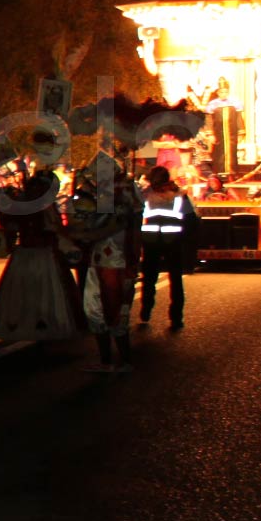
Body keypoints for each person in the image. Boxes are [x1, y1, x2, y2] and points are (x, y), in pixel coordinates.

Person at [0, 168, 81, 342]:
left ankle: (44, 326)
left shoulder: (42, 207)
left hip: (41, 254)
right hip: (32, 254)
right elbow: (12, 229)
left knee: (42, 292)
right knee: (30, 292)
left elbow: (54, 231)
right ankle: (35, 326)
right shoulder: (25, 206)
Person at [69, 153, 138, 373]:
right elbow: (85, 226)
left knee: (115, 313)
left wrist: (80, 234)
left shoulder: (123, 205)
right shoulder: (101, 201)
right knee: (94, 311)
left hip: (116, 264)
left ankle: (125, 361)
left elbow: (103, 230)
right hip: (97, 262)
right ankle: (106, 361)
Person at [138, 166, 195, 330]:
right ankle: (176, 317)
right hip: (172, 241)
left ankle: (146, 312)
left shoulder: (145, 195)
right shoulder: (179, 195)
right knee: (174, 280)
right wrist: (185, 240)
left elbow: (135, 216)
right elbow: (191, 220)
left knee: (149, 279)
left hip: (152, 241)